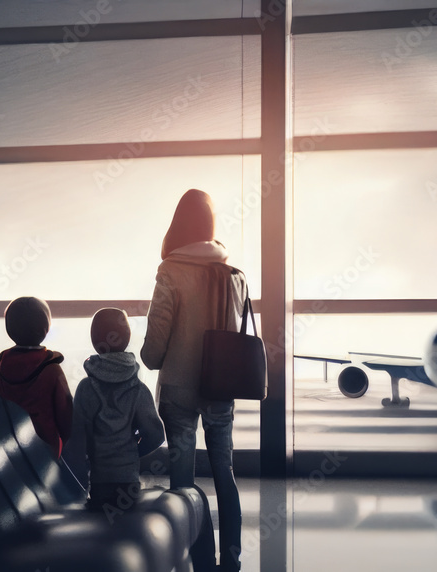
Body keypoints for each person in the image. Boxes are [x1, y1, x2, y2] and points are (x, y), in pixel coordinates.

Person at [141, 189, 245, 572]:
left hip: (180, 391)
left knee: (182, 476)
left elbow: (158, 336)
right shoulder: (235, 276)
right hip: (222, 390)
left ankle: (189, 556)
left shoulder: (170, 270)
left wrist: (150, 358)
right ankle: (231, 557)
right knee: (225, 472)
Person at [70, 308, 165, 513]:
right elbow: (156, 435)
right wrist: (132, 453)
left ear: (95, 342)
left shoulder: (86, 389)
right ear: (128, 339)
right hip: (128, 480)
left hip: (98, 480)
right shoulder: (138, 389)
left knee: (100, 529)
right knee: (126, 528)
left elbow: (77, 438)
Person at [0, 296, 73, 458]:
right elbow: (66, 415)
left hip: (10, 447)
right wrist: (64, 442)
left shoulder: (2, 367)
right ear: (46, 327)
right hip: (45, 448)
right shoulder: (52, 370)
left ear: (9, 328)